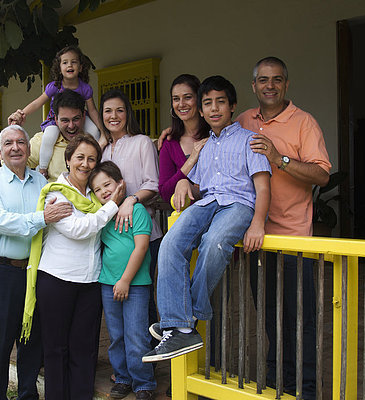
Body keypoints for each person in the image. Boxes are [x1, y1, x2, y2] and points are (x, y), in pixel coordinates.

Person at [142, 75, 271, 363]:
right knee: (170, 243)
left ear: (233, 106)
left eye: (220, 102)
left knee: (214, 243)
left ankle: (185, 319)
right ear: (201, 110)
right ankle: (180, 323)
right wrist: (184, 184)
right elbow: (202, 187)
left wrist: (258, 223)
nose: (214, 109)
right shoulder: (205, 147)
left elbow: (262, 186)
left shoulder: (250, 140)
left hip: (238, 205)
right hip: (208, 202)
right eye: (208, 104)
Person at [238, 56, 331, 399]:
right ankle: (279, 386)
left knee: (300, 321)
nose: (270, 86)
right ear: (254, 86)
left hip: (294, 240)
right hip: (257, 238)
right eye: (263, 80)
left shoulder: (304, 122)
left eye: (277, 80)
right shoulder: (244, 121)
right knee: (271, 320)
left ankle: (305, 390)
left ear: (286, 84)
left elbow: (322, 175)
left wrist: (281, 159)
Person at [22, 134, 125, 400]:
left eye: (92, 159)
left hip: (90, 281)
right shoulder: (55, 194)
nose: (85, 163)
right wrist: (113, 205)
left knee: (85, 349)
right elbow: (79, 229)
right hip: (57, 279)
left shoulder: (94, 194)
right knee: (56, 349)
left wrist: (129, 200)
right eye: (80, 157)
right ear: (68, 160)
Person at [0, 125, 72, 400]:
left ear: (29, 150)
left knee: (32, 342)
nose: (15, 147)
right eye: (8, 143)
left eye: (21, 142)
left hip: (35, 273)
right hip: (0, 272)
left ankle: (28, 395)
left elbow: (58, 217)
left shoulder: (41, 183)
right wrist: (41, 218)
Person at [90, 161, 156, 400]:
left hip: (135, 285)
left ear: (120, 184)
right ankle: (123, 377)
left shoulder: (136, 211)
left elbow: (141, 247)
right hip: (108, 283)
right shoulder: (102, 214)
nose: (104, 191)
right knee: (116, 334)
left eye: (107, 184)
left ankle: (143, 382)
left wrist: (126, 280)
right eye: (97, 189)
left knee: (136, 335)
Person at [99, 88, 162, 340]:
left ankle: (148, 360)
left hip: (142, 234)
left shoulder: (142, 142)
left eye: (119, 110)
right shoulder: (103, 150)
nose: (114, 116)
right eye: (108, 111)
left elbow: (153, 184)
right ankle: (127, 362)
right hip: (113, 237)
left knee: (143, 299)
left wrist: (132, 200)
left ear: (128, 113)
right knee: (118, 300)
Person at [8, 45, 104, 178]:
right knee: (49, 136)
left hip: (82, 116)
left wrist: (104, 131)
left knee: (94, 132)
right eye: (65, 62)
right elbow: (37, 102)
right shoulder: (54, 86)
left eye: (74, 62)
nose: (69, 65)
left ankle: (99, 165)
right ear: (59, 68)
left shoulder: (85, 88)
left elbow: (92, 110)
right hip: (54, 118)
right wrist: (21, 114)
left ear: (81, 67)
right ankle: (43, 168)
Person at [158, 74, 210, 205]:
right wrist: (190, 161)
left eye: (187, 97)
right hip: (186, 219)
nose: (181, 104)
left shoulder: (215, 135)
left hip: (220, 215)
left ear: (199, 100)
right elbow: (165, 193)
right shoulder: (169, 144)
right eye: (176, 99)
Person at [25, 89, 87, 182]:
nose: (71, 126)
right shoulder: (42, 141)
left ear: (84, 116)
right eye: (65, 120)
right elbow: (14, 166)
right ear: (56, 120)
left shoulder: (92, 140)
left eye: (76, 119)